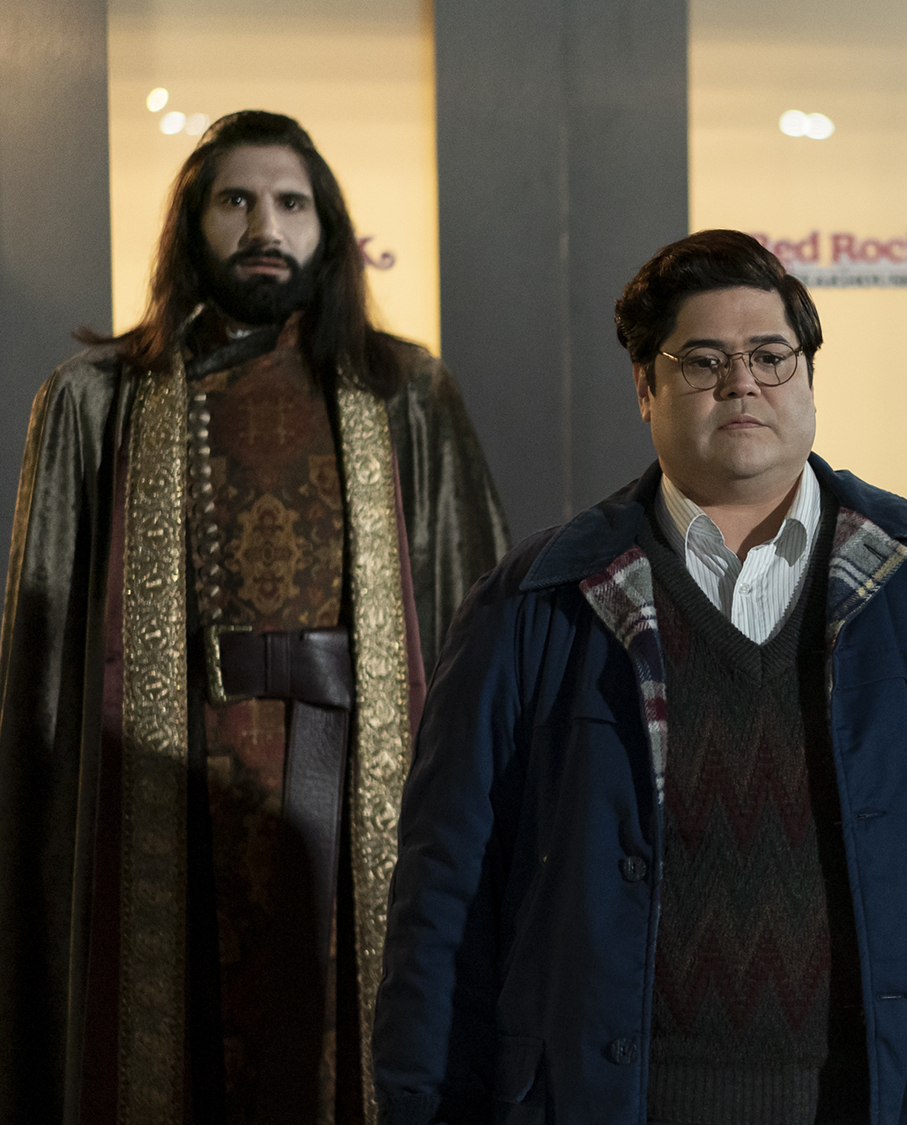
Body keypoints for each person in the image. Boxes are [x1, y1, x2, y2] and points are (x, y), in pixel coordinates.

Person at [371, 229, 907, 1125]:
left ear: (808, 378)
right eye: (703, 361)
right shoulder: (537, 602)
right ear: (643, 386)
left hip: (892, 1098)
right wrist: (421, 1100)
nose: (742, 383)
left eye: (770, 356)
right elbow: (445, 885)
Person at [0, 110, 509, 1125]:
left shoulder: (405, 394)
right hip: (167, 787)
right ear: (193, 222)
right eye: (236, 200)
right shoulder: (96, 399)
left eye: (290, 203)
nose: (265, 226)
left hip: (359, 780)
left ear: (328, 226)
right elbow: (44, 664)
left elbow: (474, 615)